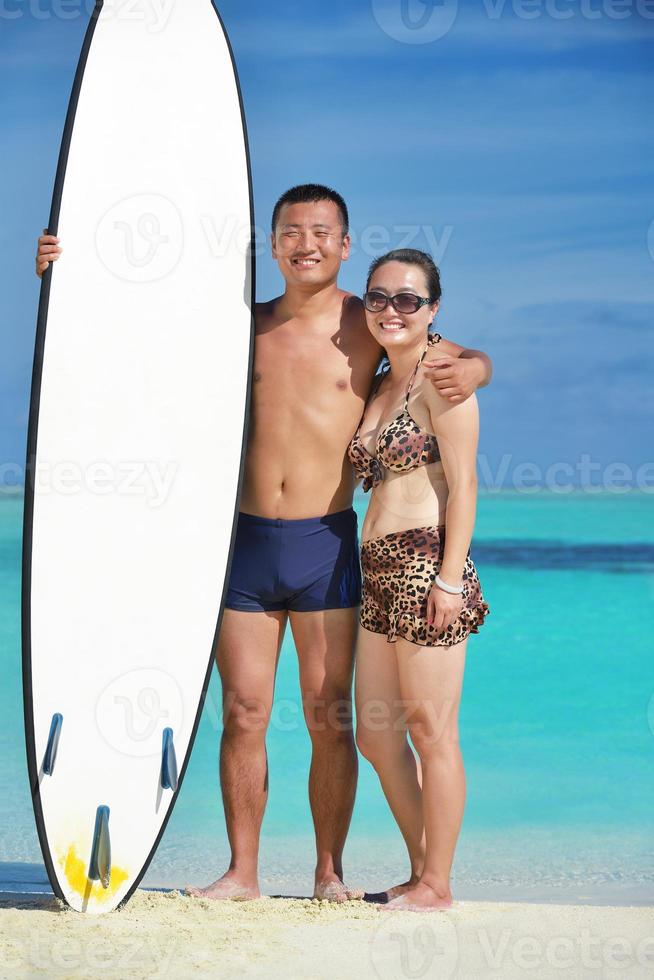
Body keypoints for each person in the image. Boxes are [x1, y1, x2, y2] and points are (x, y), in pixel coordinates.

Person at [35, 185, 493, 902]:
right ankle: (243, 873)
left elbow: (440, 351)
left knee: (330, 715)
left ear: (344, 246)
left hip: (327, 544)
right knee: (244, 712)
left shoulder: (366, 322)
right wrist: (72, 272)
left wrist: (478, 366)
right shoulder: (237, 325)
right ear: (272, 243)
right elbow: (140, 336)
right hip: (243, 543)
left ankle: (328, 873)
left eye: (321, 231)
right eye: (290, 231)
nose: (305, 243)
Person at [350, 248, 489, 911]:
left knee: (433, 733)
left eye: (408, 299)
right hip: (373, 569)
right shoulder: (379, 378)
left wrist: (451, 580)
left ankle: (438, 883)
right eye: (379, 297)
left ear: (433, 308)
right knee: (376, 735)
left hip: (424, 565)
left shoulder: (445, 378)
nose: (391, 310)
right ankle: (420, 869)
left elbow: (464, 488)